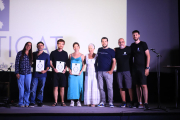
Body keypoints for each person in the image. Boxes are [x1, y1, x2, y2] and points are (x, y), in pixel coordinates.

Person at [130, 30, 150, 110]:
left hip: (142, 68)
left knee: (144, 85)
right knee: (137, 86)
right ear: (132, 36)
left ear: (139, 35)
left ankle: (146, 102)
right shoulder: (132, 45)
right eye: (133, 35)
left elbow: (148, 56)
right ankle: (140, 102)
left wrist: (147, 68)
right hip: (135, 69)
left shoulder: (143, 44)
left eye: (136, 35)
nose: (135, 36)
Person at [114, 38, 134, 108]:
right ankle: (124, 102)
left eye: (122, 42)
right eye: (119, 42)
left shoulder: (129, 49)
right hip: (119, 71)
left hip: (127, 71)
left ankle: (131, 102)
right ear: (118, 43)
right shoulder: (116, 50)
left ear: (124, 42)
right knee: (121, 87)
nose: (121, 43)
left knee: (129, 87)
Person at [29, 42, 50, 107]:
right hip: (35, 74)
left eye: (41, 45)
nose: (40, 46)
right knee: (33, 89)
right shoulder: (33, 54)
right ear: (37, 46)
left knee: (41, 89)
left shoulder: (46, 55)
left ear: (43, 46)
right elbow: (31, 63)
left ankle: (39, 102)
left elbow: (48, 65)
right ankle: (32, 102)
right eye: (39, 45)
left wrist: (45, 70)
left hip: (43, 75)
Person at [97, 37, 116, 108]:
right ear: (101, 42)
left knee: (109, 88)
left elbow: (114, 61)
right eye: (102, 41)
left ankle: (110, 102)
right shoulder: (99, 49)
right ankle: (103, 102)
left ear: (107, 42)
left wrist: (111, 70)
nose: (104, 43)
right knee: (101, 88)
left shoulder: (111, 50)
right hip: (100, 72)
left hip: (108, 72)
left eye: (105, 41)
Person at [50, 39, 68, 107]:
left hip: (62, 73)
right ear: (57, 44)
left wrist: (65, 69)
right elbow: (50, 62)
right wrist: (53, 68)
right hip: (55, 73)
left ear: (63, 45)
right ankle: (55, 102)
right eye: (59, 44)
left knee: (62, 87)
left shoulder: (65, 53)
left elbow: (67, 63)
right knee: (55, 87)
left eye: (62, 44)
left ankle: (62, 102)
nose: (61, 45)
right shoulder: (53, 52)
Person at [15, 42, 33, 107]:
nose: (29, 46)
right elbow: (17, 64)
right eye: (27, 45)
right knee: (21, 89)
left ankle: (26, 102)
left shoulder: (31, 54)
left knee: (28, 89)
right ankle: (21, 103)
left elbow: (32, 64)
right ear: (25, 45)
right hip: (21, 74)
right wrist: (17, 73)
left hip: (28, 74)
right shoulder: (20, 53)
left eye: (30, 45)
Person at [67, 42, 85, 107]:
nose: (76, 48)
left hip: (79, 74)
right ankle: (72, 101)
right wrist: (69, 70)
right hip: (72, 74)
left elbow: (83, 65)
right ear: (73, 48)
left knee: (79, 87)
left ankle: (78, 101)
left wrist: (81, 71)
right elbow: (68, 64)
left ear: (79, 47)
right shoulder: (70, 55)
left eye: (77, 46)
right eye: (74, 46)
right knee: (71, 86)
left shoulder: (82, 55)